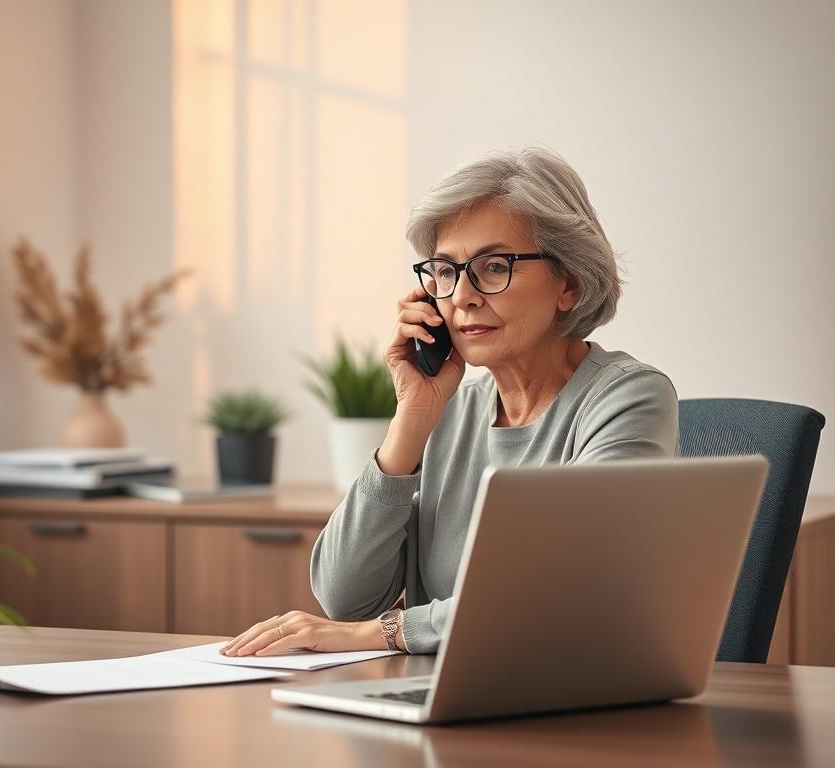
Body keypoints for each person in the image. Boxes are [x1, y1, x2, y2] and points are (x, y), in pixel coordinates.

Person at [219, 146, 678, 658]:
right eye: (443, 271)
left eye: (493, 266)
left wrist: (386, 632)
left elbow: (564, 589)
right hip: (441, 694)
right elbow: (344, 598)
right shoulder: (448, 412)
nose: (461, 296)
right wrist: (410, 421)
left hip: (569, 701)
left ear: (568, 282)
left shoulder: (627, 397)